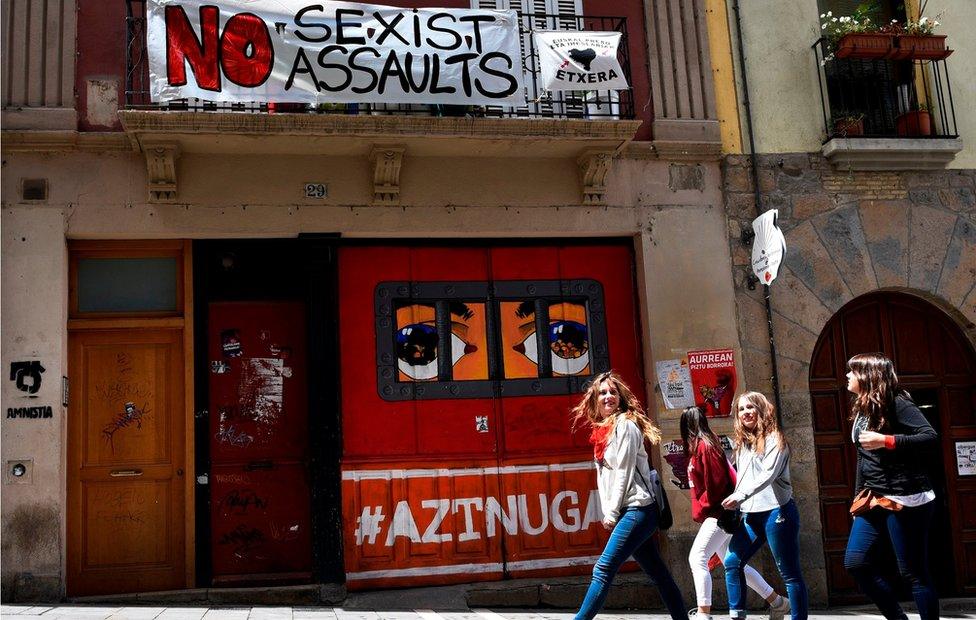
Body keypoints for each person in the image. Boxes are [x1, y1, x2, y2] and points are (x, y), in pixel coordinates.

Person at [571, 371, 687, 620]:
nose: (608, 396)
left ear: (621, 397)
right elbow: (606, 477)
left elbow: (623, 470)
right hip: (630, 510)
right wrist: (610, 508)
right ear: (594, 399)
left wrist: (611, 512)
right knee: (659, 573)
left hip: (639, 508)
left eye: (613, 392)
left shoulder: (625, 425)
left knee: (602, 569)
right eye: (602, 392)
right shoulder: (604, 431)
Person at [842, 353, 940, 620]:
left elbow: (929, 436)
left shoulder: (897, 402)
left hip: (907, 498)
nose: (847, 376)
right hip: (875, 497)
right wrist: (856, 500)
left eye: (852, 371)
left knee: (913, 572)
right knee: (856, 562)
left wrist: (887, 441)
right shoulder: (863, 408)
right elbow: (863, 458)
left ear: (868, 375)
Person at [680, 406, 790, 620]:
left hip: (719, 513)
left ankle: (703, 613)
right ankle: (778, 602)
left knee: (697, 557)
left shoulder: (705, 446)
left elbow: (717, 484)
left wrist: (707, 508)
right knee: (733, 562)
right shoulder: (702, 446)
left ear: (686, 426)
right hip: (719, 512)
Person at [721, 392, 807, 620]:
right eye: (741, 409)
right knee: (732, 562)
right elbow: (740, 477)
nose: (746, 412)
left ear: (762, 410)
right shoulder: (742, 444)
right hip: (751, 514)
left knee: (790, 574)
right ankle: (737, 615)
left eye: (751, 407)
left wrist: (740, 495)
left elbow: (767, 476)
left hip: (777, 512)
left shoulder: (775, 440)